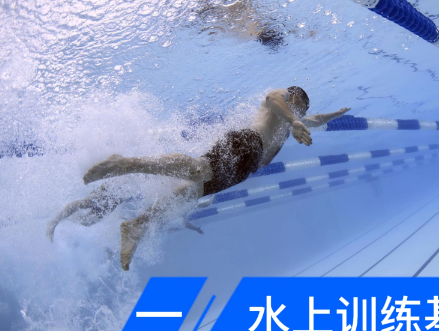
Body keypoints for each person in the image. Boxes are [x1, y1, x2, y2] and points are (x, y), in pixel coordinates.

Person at [79, 87, 350, 270]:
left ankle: (137, 225)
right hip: (247, 143)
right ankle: (124, 164)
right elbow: (271, 99)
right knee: (197, 170)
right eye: (298, 108)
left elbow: (314, 119)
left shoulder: (293, 121)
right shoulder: (283, 101)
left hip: (244, 169)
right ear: (292, 98)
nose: (299, 114)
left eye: (301, 112)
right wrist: (293, 120)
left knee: (187, 194)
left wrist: (335, 114)